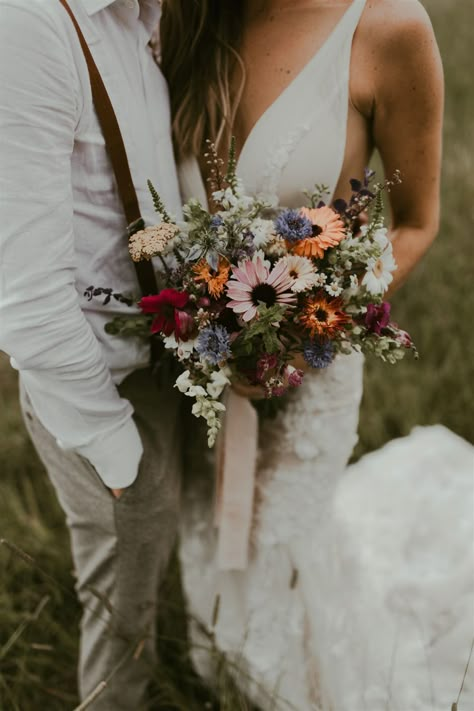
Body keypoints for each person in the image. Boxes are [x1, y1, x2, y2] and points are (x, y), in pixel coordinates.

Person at [159, 0, 447, 708]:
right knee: (209, 546)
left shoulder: (387, 28)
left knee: (282, 556)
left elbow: (415, 223)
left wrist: (310, 325)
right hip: (201, 370)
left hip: (310, 365)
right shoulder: (188, 19)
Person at [0, 1, 182, 708]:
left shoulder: (141, 18)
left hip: (159, 363)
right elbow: (26, 301)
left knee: (148, 576)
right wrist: (113, 447)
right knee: (119, 616)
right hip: (94, 388)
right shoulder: (29, 27)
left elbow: (132, 207)